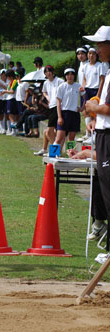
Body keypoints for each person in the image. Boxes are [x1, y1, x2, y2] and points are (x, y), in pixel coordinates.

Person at [84, 26, 110, 259]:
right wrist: (95, 119)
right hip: (103, 133)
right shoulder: (107, 71)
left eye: (100, 45)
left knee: (108, 187)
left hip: (109, 136)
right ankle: (103, 232)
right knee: (102, 185)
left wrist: (94, 109)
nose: (96, 50)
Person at [35, 65, 64, 156]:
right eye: (46, 72)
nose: (48, 73)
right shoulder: (46, 83)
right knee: (49, 131)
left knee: (49, 131)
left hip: (59, 106)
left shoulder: (59, 81)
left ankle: (54, 150)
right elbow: (44, 91)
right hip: (51, 106)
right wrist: (48, 98)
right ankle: (51, 149)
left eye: (50, 71)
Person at [53, 68, 85, 147]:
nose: (70, 76)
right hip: (64, 113)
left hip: (74, 114)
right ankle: (53, 155)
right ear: (65, 76)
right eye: (68, 74)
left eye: (71, 74)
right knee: (59, 137)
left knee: (71, 138)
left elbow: (85, 97)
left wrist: (82, 108)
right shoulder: (62, 86)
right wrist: (60, 117)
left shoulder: (78, 86)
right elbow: (58, 102)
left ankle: (69, 155)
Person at [82, 47, 105, 140]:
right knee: (86, 111)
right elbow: (85, 79)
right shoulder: (86, 66)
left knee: (95, 112)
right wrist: (83, 87)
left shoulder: (100, 65)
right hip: (87, 89)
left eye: (93, 54)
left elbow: (102, 80)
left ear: (96, 55)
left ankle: (94, 133)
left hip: (96, 89)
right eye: (89, 53)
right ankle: (88, 133)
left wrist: (98, 95)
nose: (91, 56)